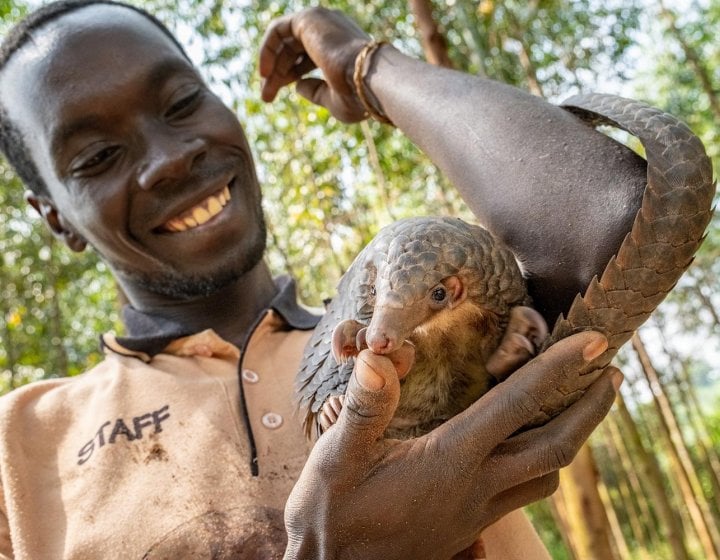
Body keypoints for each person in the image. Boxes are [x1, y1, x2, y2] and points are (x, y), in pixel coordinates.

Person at [0, 2, 636, 558]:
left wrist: (368, 68)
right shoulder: (20, 446)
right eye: (97, 157)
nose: (170, 158)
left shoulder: (430, 327)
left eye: (183, 103)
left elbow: (614, 210)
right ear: (56, 216)